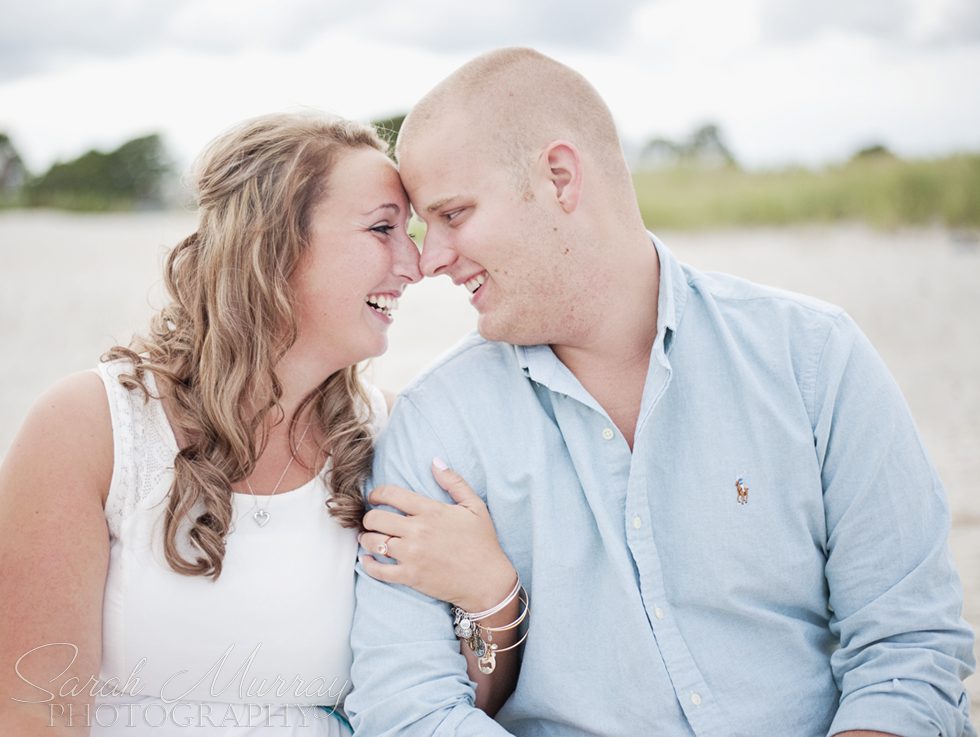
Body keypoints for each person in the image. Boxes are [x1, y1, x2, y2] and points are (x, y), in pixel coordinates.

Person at [349, 48, 977, 735]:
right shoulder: (435, 423)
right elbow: (407, 708)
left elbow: (908, 647)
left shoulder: (812, 357)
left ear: (559, 177)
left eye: (454, 215)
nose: (430, 258)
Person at [0, 112, 518, 736]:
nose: (416, 264)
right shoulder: (91, 428)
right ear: (271, 244)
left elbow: (441, 706)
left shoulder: (393, 437)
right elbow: (30, 710)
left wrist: (493, 599)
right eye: (384, 229)